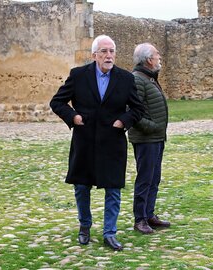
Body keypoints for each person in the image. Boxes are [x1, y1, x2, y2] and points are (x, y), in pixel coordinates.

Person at [50, 35, 144, 251]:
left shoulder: (125, 79)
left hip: (113, 143)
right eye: (103, 51)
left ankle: (109, 233)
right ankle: (84, 226)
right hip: (85, 141)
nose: (108, 55)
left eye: (111, 51)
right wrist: (73, 117)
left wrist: (123, 121)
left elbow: (138, 109)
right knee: (82, 187)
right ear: (94, 55)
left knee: (113, 189)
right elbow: (57, 102)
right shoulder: (78, 75)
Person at [128, 43, 170, 234]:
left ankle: (149, 213)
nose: (159, 56)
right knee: (145, 178)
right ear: (148, 59)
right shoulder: (138, 79)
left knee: (154, 178)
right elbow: (133, 113)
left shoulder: (149, 78)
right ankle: (140, 219)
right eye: (156, 54)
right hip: (146, 139)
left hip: (156, 138)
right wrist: (153, 128)